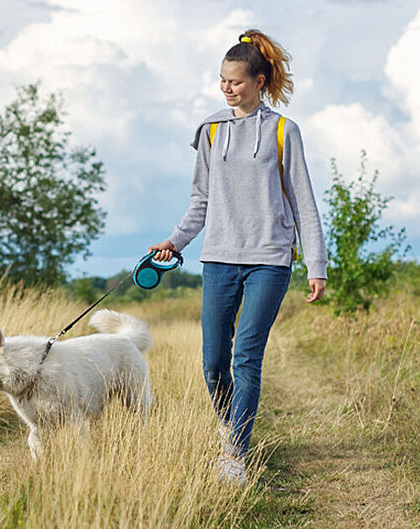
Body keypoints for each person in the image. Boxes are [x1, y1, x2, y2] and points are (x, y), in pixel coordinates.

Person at [147, 29, 328, 485]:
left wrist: (316, 265)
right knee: (212, 363)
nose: (227, 88)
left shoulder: (284, 131)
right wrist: (175, 242)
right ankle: (232, 425)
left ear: (260, 81)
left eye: (236, 81)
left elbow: (304, 202)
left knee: (246, 356)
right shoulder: (210, 130)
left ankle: (235, 454)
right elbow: (200, 200)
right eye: (222, 80)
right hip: (220, 258)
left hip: (270, 258)